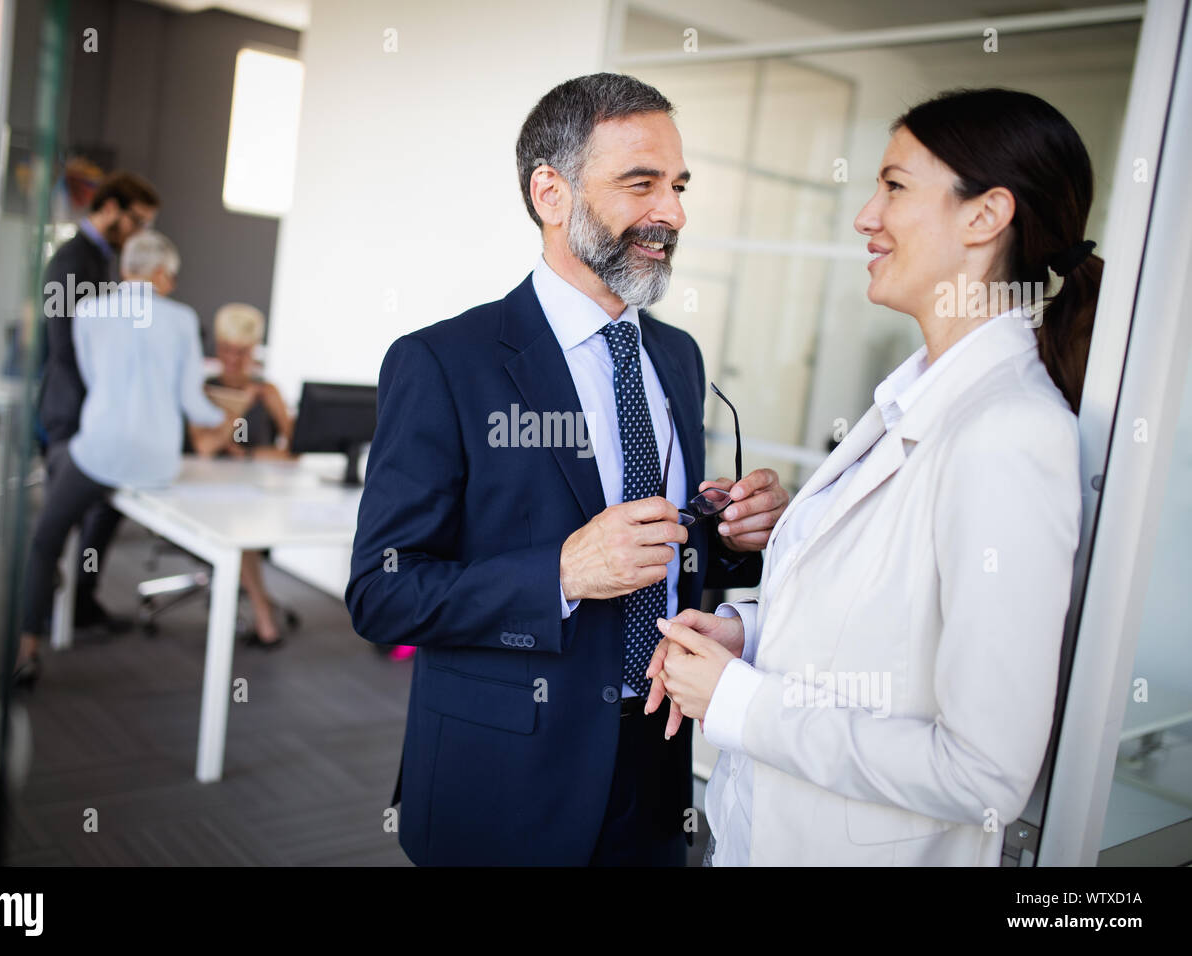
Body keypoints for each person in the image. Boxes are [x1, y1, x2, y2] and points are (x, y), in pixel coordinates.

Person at [346, 73, 790, 866]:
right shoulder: (443, 363)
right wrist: (562, 572)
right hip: (504, 778)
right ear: (551, 193)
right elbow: (383, 593)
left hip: (656, 766)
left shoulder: (676, 358)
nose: (674, 214)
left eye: (680, 186)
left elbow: (664, 548)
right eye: (641, 184)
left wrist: (735, 536)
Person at [647, 88, 1095, 866]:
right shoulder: (915, 395)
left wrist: (741, 703)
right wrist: (748, 635)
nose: (865, 216)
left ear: (985, 216)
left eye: (893, 186)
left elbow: (984, 774)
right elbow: (889, 631)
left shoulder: (1010, 434)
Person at [14, 231, 230, 684]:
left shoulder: (91, 311)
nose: (172, 284)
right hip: (154, 463)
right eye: (171, 276)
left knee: (46, 539)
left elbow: (93, 380)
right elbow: (191, 401)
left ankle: (27, 648)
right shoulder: (182, 318)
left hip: (99, 453)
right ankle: (85, 601)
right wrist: (227, 415)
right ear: (158, 272)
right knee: (108, 509)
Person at [37, 171, 161, 633]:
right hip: (71, 415)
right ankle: (55, 614)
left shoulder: (97, 258)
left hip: (87, 413)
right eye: (136, 221)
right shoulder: (73, 261)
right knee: (60, 524)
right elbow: (66, 348)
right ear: (109, 208)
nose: (140, 233)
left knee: (98, 510)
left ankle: (76, 606)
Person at [188, 303, 295, 647]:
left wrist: (247, 453)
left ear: (254, 351)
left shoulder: (269, 391)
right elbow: (205, 448)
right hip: (206, 493)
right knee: (239, 524)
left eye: (241, 352)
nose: (232, 359)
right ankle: (265, 617)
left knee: (246, 520)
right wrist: (240, 410)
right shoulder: (203, 390)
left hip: (259, 491)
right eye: (226, 350)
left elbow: (292, 450)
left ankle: (261, 606)